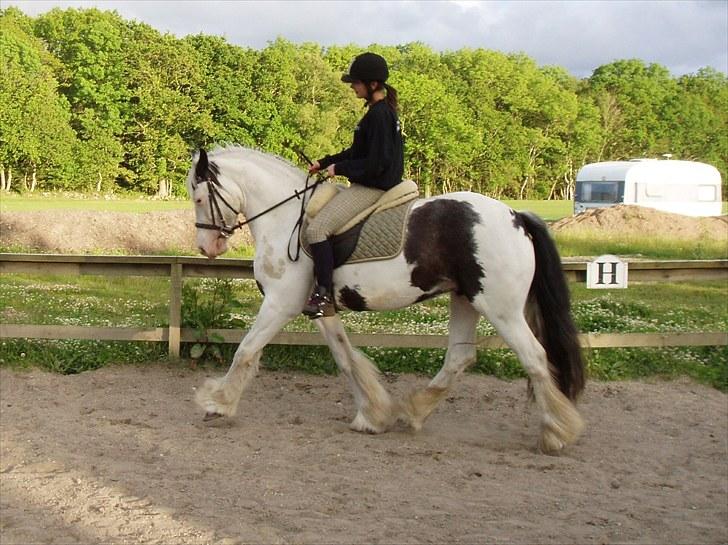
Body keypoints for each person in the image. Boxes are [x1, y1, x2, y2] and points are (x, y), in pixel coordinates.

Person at [303, 52, 404, 319]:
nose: (352, 86)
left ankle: (323, 294)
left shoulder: (380, 115)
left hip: (372, 188)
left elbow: (377, 163)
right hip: (370, 183)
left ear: (372, 85)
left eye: (356, 82)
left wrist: (341, 169)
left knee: (317, 231)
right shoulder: (379, 112)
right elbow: (356, 151)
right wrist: (325, 162)